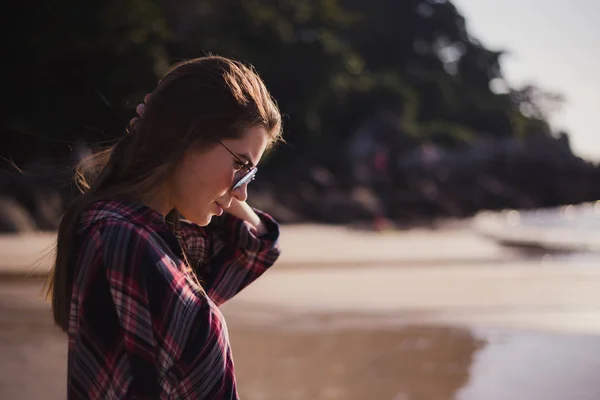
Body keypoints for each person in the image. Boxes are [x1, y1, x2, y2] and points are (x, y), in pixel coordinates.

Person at [44, 55, 284, 399]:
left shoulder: (155, 242)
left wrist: (228, 185)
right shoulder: (125, 243)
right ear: (190, 137)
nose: (243, 191)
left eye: (251, 175)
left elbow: (255, 245)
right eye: (240, 164)